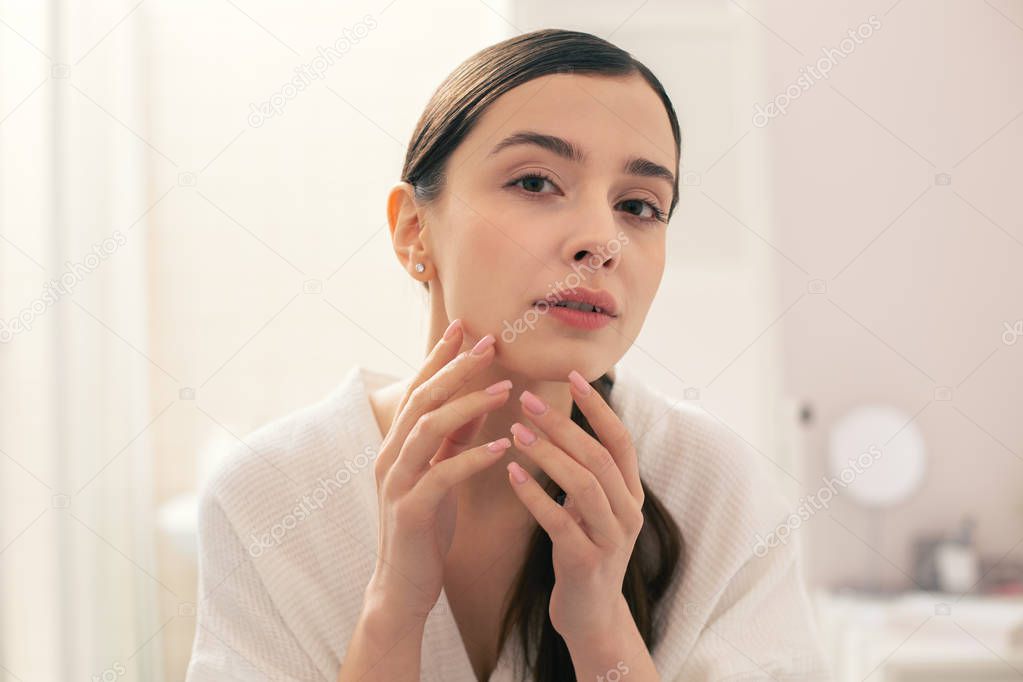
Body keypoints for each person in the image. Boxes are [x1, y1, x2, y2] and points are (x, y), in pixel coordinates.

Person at [185, 28, 833, 682]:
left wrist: (600, 627)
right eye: (534, 182)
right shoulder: (269, 496)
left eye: (638, 205)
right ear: (414, 230)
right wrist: (394, 608)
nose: (599, 242)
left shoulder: (718, 491)